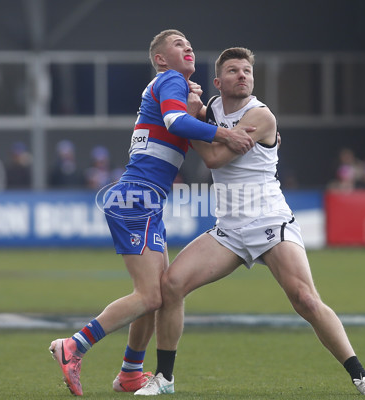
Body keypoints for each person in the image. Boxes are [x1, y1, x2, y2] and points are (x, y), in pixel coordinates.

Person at [135, 47, 365, 396]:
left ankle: (361, 376)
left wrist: (191, 120)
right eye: (234, 71)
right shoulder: (213, 108)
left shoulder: (261, 115)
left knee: (305, 299)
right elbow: (203, 126)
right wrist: (195, 115)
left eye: (247, 72)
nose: (242, 76)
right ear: (218, 81)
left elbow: (214, 159)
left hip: (269, 220)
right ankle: (164, 379)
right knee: (171, 286)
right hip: (228, 229)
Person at [48, 30, 254, 397]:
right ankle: (75, 346)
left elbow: (186, 121)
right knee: (151, 297)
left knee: (156, 292)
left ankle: (131, 373)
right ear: (161, 59)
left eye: (189, 42)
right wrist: (227, 136)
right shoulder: (171, 79)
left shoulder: (169, 86)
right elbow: (177, 124)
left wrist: (229, 125)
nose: (188, 46)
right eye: (178, 44)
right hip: (137, 198)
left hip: (144, 199)